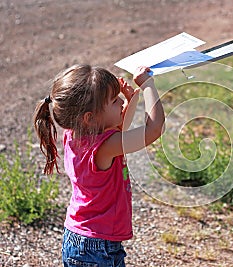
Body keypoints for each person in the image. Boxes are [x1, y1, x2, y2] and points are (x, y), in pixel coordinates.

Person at [33, 64, 165, 267]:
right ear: (89, 118)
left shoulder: (74, 134)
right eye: (114, 101)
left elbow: (118, 130)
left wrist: (130, 101)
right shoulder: (104, 147)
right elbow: (154, 129)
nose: (120, 101)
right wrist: (148, 85)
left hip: (81, 239)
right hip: (96, 247)